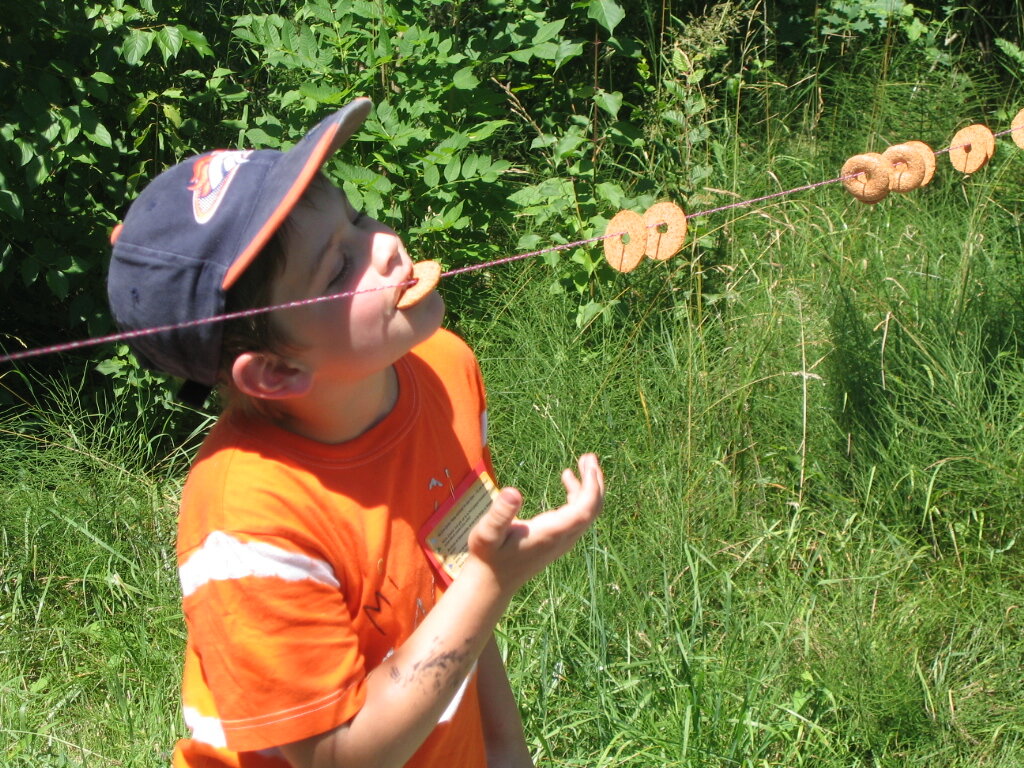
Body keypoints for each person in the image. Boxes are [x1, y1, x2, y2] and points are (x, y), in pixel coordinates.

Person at [107, 97, 605, 768]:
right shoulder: (244, 521)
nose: (387, 244)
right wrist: (492, 582)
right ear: (279, 371)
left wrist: (506, 751)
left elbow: (455, 583)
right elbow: (338, 758)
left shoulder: (444, 369)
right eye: (338, 267)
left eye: (358, 218)